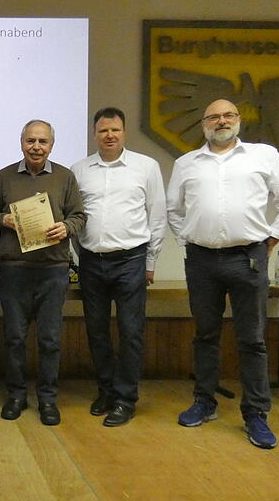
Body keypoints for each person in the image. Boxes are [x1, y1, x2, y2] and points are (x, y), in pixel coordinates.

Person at [167, 99, 279, 449]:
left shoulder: (263, 155)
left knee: (252, 340)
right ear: (203, 124)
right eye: (213, 116)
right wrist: (190, 238)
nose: (221, 121)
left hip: (249, 258)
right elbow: (173, 209)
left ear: (239, 120)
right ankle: (205, 402)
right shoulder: (186, 164)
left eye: (228, 115)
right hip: (200, 261)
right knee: (205, 335)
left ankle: (256, 414)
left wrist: (272, 237)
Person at [71, 107, 166, 427]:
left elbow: (157, 216)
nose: (109, 135)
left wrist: (150, 262)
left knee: (130, 332)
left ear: (124, 132)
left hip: (131, 260)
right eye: (103, 131)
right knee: (96, 332)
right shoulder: (79, 170)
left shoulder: (146, 167)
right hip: (91, 262)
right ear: (94, 134)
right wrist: (81, 252)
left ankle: (126, 399)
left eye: (115, 130)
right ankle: (107, 390)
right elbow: (74, 219)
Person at [0, 119, 86, 426]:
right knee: (14, 338)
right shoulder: (4, 177)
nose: (36, 147)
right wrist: (5, 219)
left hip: (52, 270)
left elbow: (80, 215)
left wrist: (66, 227)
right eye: (31, 141)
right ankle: (16, 396)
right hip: (14, 269)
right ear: (21, 143)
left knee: (50, 340)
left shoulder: (65, 177)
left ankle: (47, 399)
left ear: (51, 146)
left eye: (42, 141)